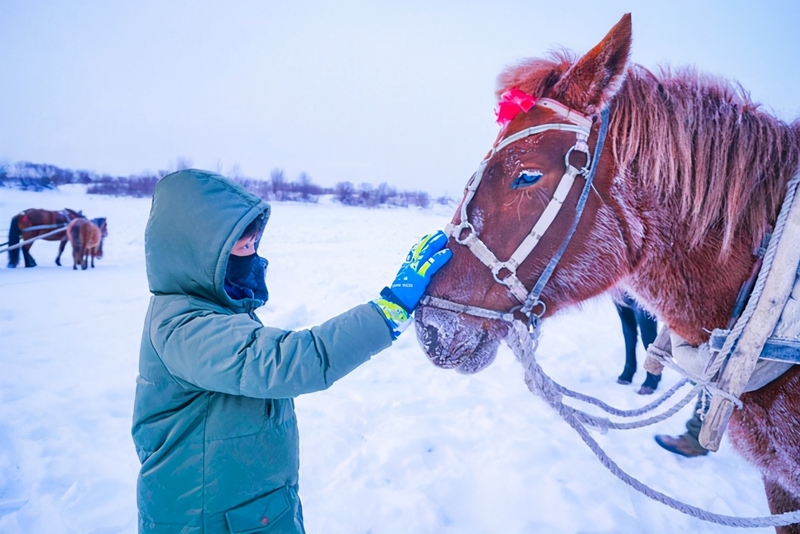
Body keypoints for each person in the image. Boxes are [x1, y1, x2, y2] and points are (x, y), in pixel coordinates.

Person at [131, 170, 452, 533]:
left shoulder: (213, 308)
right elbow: (288, 362)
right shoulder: (184, 326)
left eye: (254, 245)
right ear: (200, 255)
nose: (252, 257)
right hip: (205, 519)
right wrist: (388, 309)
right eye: (242, 248)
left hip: (246, 510)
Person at [614, 293, 660, 394]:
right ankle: (629, 366)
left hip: (641, 287)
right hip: (619, 287)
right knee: (626, 326)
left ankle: (653, 372)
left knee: (647, 329)